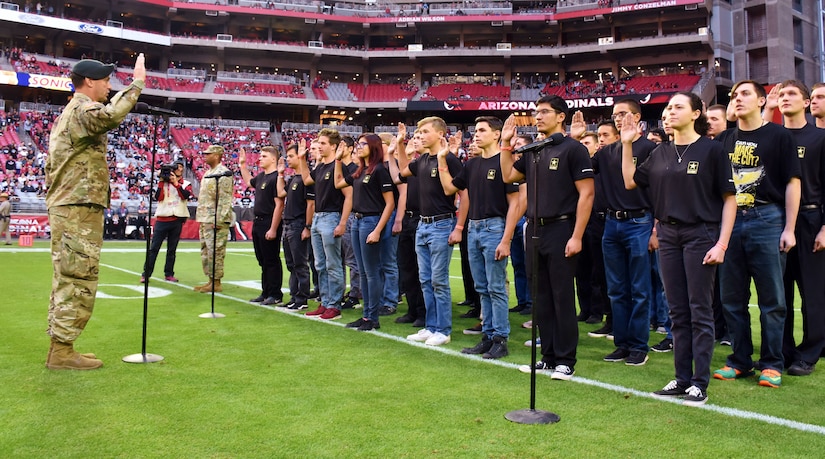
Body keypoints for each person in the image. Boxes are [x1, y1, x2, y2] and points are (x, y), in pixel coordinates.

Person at [620, 91, 736, 406]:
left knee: (700, 310)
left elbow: (729, 199)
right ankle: (682, 378)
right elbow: (630, 181)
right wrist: (628, 143)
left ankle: (699, 382)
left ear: (696, 113)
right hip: (668, 235)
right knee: (677, 310)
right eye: (668, 108)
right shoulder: (659, 153)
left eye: (678, 107)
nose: (670, 112)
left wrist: (722, 243)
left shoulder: (713, 151)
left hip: (701, 233)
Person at [44, 55, 145, 370]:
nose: (109, 86)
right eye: (105, 81)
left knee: (70, 276)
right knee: (78, 277)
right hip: (76, 208)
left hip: (74, 205)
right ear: (89, 81)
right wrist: (137, 84)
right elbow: (111, 115)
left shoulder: (74, 112)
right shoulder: (82, 109)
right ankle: (61, 352)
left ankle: (63, 346)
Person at [713, 80, 802, 389]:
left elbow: (793, 182)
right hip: (731, 221)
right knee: (731, 297)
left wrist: (789, 228)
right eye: (734, 95)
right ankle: (739, 360)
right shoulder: (724, 139)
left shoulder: (779, 135)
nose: (737, 99)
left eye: (745, 94)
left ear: (763, 101)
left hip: (767, 217)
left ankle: (772, 363)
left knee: (772, 299)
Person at [501, 95, 595, 380]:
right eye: (536, 112)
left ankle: (566, 360)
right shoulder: (533, 151)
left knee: (562, 296)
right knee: (541, 298)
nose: (538, 117)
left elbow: (587, 193)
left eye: (544, 112)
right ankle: (547, 356)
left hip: (562, 228)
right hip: (535, 229)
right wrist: (506, 143)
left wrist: (577, 235)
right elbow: (507, 176)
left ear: (560, 116)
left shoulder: (574, 149)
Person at [438, 116, 520, 359]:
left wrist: (506, 239)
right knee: (482, 287)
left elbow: (515, 203)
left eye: (482, 130)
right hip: (474, 228)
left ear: (497, 134)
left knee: (496, 287)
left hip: (495, 227)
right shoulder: (472, 165)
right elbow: (449, 189)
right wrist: (442, 158)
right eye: (476, 131)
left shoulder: (504, 162)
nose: (476, 134)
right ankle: (488, 335)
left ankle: (500, 338)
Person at [763, 81, 825, 376]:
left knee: (812, 291)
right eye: (781, 94)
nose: (784, 98)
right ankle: (783, 351)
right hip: (774, 220)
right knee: (778, 291)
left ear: (806, 102)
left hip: (811, 220)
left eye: (791, 94)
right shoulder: (772, 136)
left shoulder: (819, 138)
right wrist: (767, 112)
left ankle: (810, 351)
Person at [592, 99, 658, 366]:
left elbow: (658, 191)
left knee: (640, 288)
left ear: (637, 116)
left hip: (640, 222)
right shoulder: (607, 151)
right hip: (611, 223)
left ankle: (639, 345)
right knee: (617, 288)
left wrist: (656, 228)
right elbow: (582, 168)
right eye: (615, 115)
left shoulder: (651, 149)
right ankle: (622, 343)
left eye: (623, 114)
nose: (618, 119)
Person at [398, 117, 468, 346]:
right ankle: (431, 326)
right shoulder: (422, 160)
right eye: (419, 131)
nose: (420, 135)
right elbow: (401, 172)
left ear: (440, 134)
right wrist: (400, 145)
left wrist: (459, 227)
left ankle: (443, 330)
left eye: (425, 131)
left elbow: (464, 195)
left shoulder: (449, 159)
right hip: (423, 224)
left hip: (441, 224)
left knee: (439, 280)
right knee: (425, 280)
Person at [334, 133, 395, 330]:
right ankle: (367, 315)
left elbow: (390, 203)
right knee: (363, 271)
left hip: (370, 221)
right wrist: (337, 160)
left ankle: (372, 317)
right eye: (358, 144)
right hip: (357, 222)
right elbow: (338, 183)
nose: (359, 147)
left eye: (363, 144)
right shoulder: (361, 171)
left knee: (371, 272)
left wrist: (378, 229)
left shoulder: (379, 171)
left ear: (374, 147)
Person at [297, 128, 352, 320]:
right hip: (319, 218)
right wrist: (302, 159)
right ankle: (326, 301)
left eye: (323, 143)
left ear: (334, 146)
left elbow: (348, 196)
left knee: (333, 263)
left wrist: (343, 222)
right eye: (318, 143)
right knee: (320, 264)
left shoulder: (339, 168)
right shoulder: (320, 167)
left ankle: (334, 305)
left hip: (331, 217)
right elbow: (306, 180)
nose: (319, 147)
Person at [239, 145, 285, 306]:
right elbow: (248, 181)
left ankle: (275, 293)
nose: (260, 158)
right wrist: (243, 165)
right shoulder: (261, 177)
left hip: (268, 221)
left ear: (273, 159)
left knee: (271, 259)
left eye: (264, 156)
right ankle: (266, 292)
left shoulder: (275, 178)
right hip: (257, 221)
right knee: (262, 260)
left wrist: (273, 228)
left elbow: (279, 204)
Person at [194, 144, 235, 294]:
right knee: (206, 251)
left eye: (208, 153)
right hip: (205, 217)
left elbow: (225, 199)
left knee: (216, 251)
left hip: (215, 219)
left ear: (217, 155)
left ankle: (216, 282)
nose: (205, 156)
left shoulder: (223, 173)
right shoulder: (208, 173)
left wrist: (219, 219)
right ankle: (210, 280)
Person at [141, 161, 191, 283]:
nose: (179, 169)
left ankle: (169, 273)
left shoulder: (186, 183)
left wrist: (175, 183)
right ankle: (146, 274)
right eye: (176, 168)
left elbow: (185, 196)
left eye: (180, 167)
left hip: (177, 218)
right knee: (153, 248)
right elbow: (158, 197)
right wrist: (161, 181)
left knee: (172, 250)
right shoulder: (163, 183)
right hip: (162, 218)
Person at [279, 143, 315, 310]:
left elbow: (310, 205)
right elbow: (280, 193)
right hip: (288, 224)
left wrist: (307, 227)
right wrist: (280, 174)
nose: (288, 159)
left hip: (298, 223)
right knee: (291, 263)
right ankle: (294, 296)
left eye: (291, 156)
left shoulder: (306, 181)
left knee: (300, 263)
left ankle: (302, 298)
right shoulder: (293, 178)